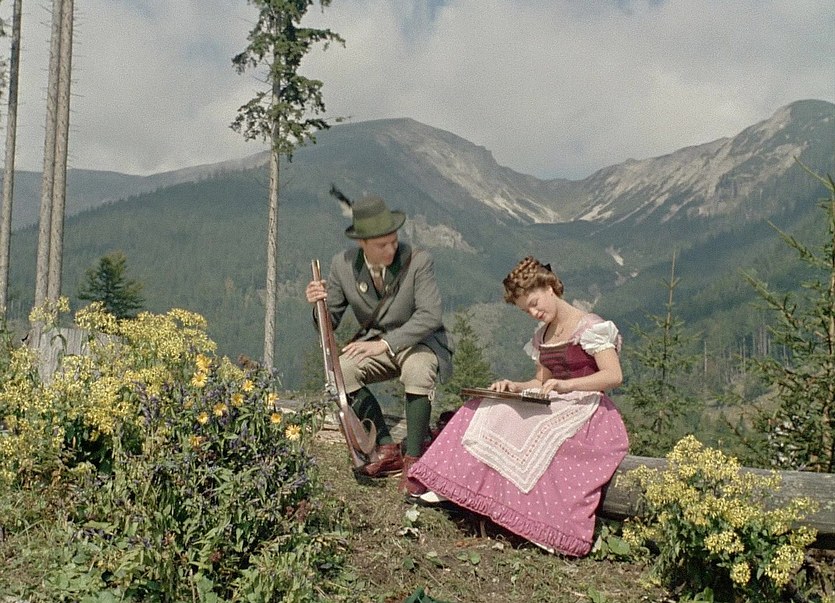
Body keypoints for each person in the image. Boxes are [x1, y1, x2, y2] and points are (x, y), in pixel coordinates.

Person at [407, 256, 628, 557]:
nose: (535, 313)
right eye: (527, 311)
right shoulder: (543, 334)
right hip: (556, 402)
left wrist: (568, 386)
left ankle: (545, 526)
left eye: (535, 304)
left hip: (589, 410)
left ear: (550, 288)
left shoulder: (591, 326)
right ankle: (451, 487)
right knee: (485, 408)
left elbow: (613, 376)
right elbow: (540, 381)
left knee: (543, 437)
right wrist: (515, 387)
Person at [305, 193, 453, 493]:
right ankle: (385, 447)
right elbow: (328, 324)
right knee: (343, 370)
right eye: (381, 245)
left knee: (418, 369)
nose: (391, 249)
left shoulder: (418, 261)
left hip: (420, 342)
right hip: (376, 344)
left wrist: (385, 344)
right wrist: (317, 304)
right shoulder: (343, 266)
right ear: (362, 243)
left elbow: (430, 316)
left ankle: (414, 458)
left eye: (393, 241)